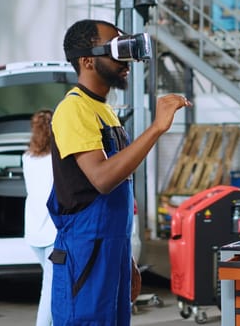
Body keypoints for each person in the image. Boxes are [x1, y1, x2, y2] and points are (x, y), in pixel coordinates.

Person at [47, 19, 191, 325]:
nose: (125, 61)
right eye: (115, 51)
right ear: (87, 61)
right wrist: (156, 128)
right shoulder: (74, 109)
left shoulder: (104, 110)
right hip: (86, 253)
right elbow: (102, 178)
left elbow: (119, 182)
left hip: (111, 249)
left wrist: (126, 258)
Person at [23, 109, 57, 326]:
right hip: (53, 233)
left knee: (56, 287)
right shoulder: (58, 159)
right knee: (51, 290)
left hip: (33, 231)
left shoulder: (26, 157)